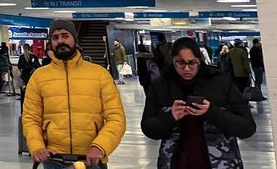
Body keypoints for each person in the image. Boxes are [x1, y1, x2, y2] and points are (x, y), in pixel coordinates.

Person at [22, 19, 126, 168]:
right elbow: (31, 118)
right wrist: (37, 146)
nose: (60, 41)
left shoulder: (100, 74)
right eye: (55, 37)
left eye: (65, 35)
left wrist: (100, 146)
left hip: (91, 160)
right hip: (53, 160)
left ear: (75, 40)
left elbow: (116, 118)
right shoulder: (39, 77)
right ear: (51, 43)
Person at [141, 37, 256, 168]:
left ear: (199, 61)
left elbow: (247, 128)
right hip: (175, 162)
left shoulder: (221, 83)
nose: (187, 69)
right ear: (172, 61)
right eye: (180, 63)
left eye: (192, 63)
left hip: (220, 162)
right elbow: (148, 128)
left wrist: (212, 112)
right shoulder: (160, 86)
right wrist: (170, 117)